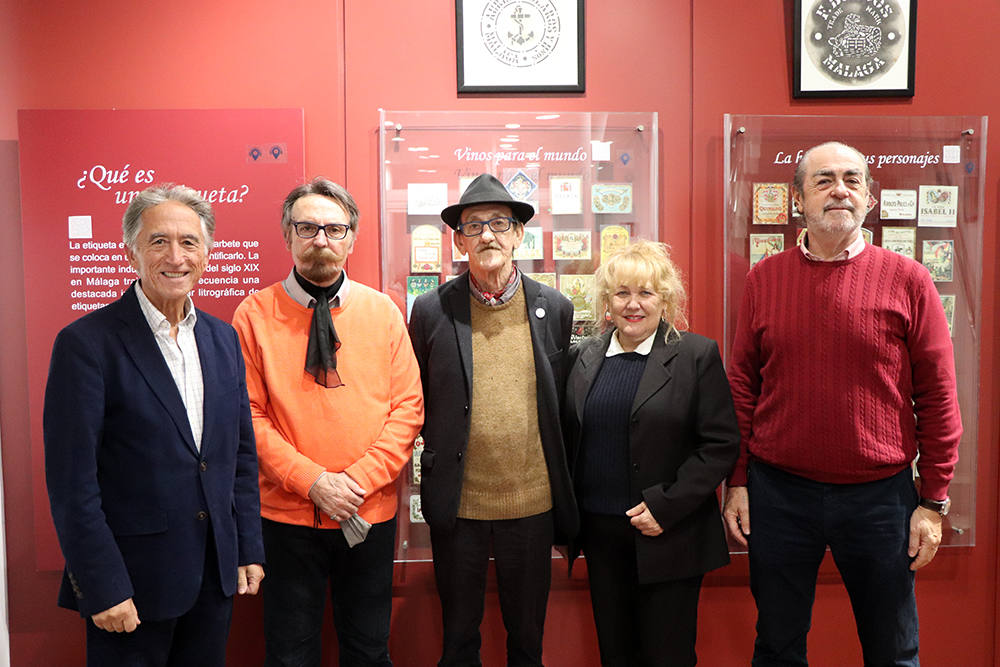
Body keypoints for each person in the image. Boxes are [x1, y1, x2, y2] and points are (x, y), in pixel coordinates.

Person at [723, 142, 963, 666]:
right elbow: (742, 386)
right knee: (778, 646)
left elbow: (940, 395)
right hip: (779, 494)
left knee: (893, 649)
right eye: (824, 180)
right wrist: (737, 480)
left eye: (853, 180)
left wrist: (933, 500)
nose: (840, 191)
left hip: (881, 500)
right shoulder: (764, 280)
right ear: (798, 201)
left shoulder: (909, 280)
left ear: (870, 198)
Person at [44, 184, 265, 667]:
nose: (176, 256)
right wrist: (101, 586)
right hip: (130, 589)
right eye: (158, 241)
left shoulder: (223, 338)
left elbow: (239, 457)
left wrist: (248, 546)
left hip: (213, 580)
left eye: (189, 242)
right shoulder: (86, 344)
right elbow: (72, 485)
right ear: (131, 252)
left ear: (207, 252)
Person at [232, 178, 423, 667]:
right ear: (288, 235)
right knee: (290, 653)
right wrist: (313, 481)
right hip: (285, 520)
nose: (322, 239)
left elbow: (407, 409)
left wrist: (352, 485)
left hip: (367, 515)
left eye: (334, 229)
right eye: (308, 227)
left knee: (367, 650)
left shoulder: (383, 313)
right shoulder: (253, 315)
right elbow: (245, 415)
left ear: (352, 239)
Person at [408, 173, 578, 667]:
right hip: (459, 503)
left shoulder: (555, 307)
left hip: (531, 502)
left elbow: (562, 402)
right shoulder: (431, 310)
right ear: (458, 240)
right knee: (458, 639)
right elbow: (414, 397)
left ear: (519, 234)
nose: (487, 235)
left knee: (526, 639)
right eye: (474, 225)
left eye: (499, 223)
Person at [563, 240, 740, 667]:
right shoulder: (583, 356)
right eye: (622, 293)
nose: (633, 305)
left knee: (668, 656)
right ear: (607, 300)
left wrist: (665, 506)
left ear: (666, 298)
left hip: (669, 534)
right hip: (603, 538)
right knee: (615, 654)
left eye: (645, 293)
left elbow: (720, 444)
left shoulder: (696, 355)